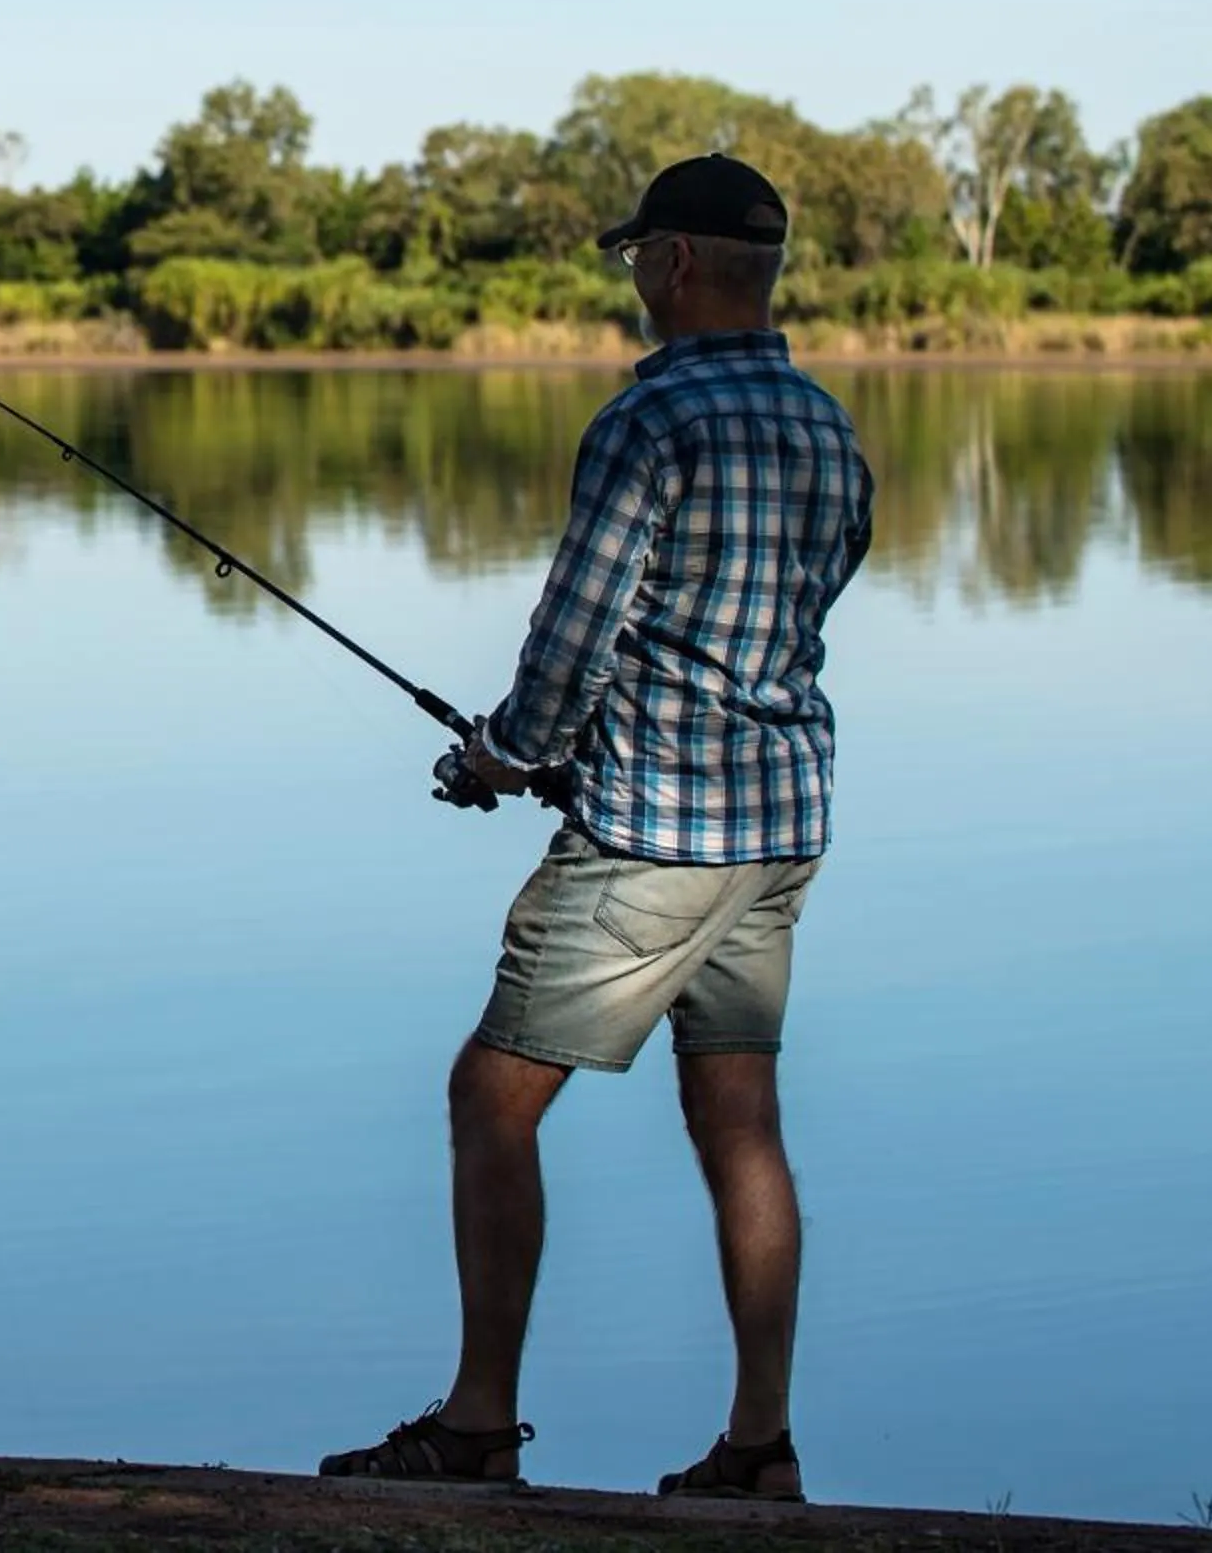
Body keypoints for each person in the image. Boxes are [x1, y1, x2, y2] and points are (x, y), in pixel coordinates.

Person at [319, 154, 875, 1503]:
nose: (632, 279)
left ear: (676, 262)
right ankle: (760, 1445)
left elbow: (573, 636)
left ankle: (476, 1424)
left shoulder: (649, 422)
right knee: (740, 1120)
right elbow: (812, 597)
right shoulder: (825, 424)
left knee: (491, 1096)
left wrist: (502, 755)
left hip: (658, 838)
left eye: (637, 257)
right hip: (781, 822)